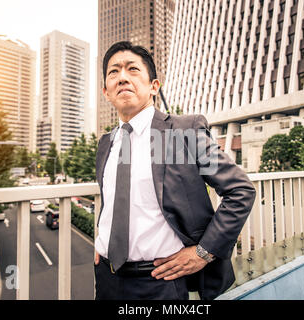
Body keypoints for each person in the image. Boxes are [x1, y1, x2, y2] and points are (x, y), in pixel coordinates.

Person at [94, 41, 256, 300]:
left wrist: (204, 252)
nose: (122, 77)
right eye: (113, 72)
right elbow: (113, 201)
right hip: (105, 277)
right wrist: (102, 241)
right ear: (106, 91)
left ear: (154, 86)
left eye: (132, 69)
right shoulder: (106, 143)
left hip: (160, 281)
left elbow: (240, 191)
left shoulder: (185, 132)